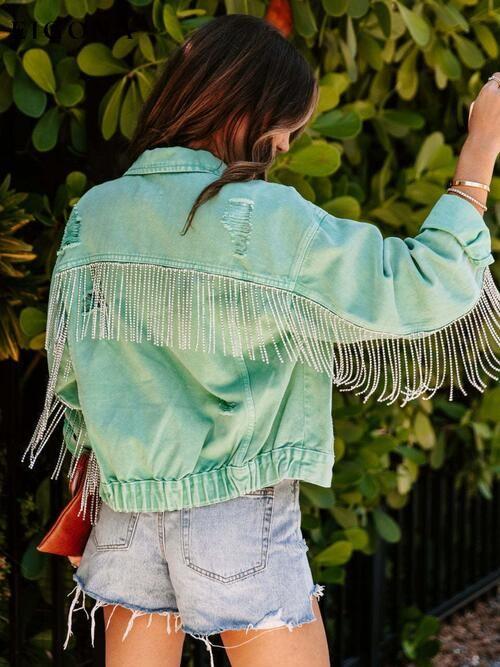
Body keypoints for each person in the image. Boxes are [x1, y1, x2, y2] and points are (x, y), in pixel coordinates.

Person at [21, 13, 499, 667]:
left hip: (123, 508)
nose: (282, 148)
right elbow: (422, 283)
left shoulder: (95, 213)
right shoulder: (265, 217)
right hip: (235, 510)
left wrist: (95, 494)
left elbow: (76, 379)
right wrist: (479, 151)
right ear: (250, 111)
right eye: (284, 131)